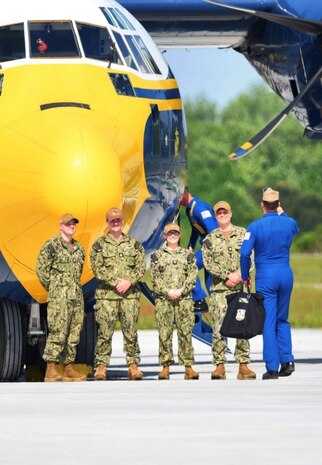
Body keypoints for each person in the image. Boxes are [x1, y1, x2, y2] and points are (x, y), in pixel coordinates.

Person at [240, 188, 300, 380]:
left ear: (262, 205)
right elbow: (295, 228)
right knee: (283, 319)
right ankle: (287, 360)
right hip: (285, 273)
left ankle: (272, 367)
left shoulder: (255, 226)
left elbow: (244, 253)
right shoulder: (288, 222)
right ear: (279, 204)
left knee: (269, 320)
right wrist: (282, 213)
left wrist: (244, 275)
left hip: (266, 275)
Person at [90, 207, 146, 381]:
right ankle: (101, 366)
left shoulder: (134, 245)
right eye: (112, 221)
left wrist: (128, 282)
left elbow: (141, 266)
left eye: (118, 220)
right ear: (107, 223)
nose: (115, 223)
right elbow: (97, 269)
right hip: (107, 297)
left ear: (123, 222)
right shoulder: (99, 246)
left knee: (130, 332)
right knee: (105, 333)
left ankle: (133, 365)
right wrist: (116, 282)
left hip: (129, 296)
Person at [202, 201, 256, 380]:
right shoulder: (210, 239)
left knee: (242, 324)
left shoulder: (243, 234)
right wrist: (227, 276)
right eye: (219, 213)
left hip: (240, 287)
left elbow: (251, 257)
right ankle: (219, 366)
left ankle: (243, 365)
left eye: (225, 212)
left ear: (231, 214)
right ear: (216, 216)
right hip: (219, 289)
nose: (222, 215)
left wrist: (240, 275)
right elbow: (208, 263)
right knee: (218, 327)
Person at [36, 213, 87, 382]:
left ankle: (68, 368)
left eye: (73, 224)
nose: (71, 226)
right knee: (58, 331)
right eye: (68, 224)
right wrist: (54, 289)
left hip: (75, 296)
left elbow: (78, 272)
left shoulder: (79, 248)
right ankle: (51, 368)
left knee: (73, 333)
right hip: (59, 298)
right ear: (61, 226)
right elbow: (41, 269)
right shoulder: (52, 245)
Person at [150, 223, 199, 380]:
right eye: (170, 233)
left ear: (179, 236)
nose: (173, 235)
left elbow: (192, 277)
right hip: (164, 299)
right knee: (165, 332)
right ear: (165, 236)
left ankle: (188, 367)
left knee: (185, 332)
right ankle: (165, 367)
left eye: (175, 233)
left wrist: (181, 291)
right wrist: (167, 292)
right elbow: (155, 278)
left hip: (183, 299)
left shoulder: (187, 256)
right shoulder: (157, 256)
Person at [180, 186, 218, 311]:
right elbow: (196, 230)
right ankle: (215, 308)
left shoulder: (199, 208)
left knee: (188, 266)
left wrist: (210, 251)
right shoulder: (189, 210)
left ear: (184, 193)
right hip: (206, 246)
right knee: (209, 284)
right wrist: (190, 246)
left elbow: (213, 231)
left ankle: (200, 300)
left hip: (212, 247)